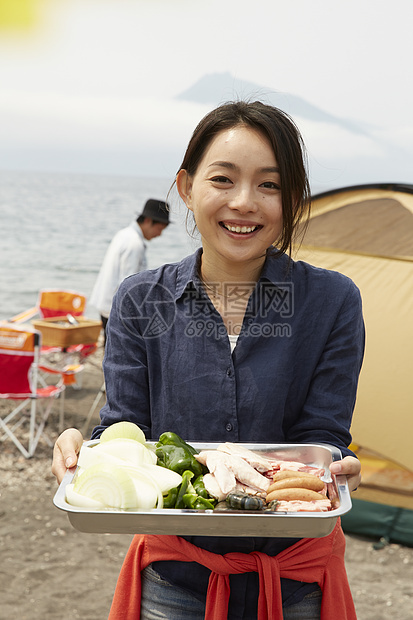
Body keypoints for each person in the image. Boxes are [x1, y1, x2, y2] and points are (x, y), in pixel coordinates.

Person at [52, 101, 364, 619]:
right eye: (223, 179)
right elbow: (128, 428)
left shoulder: (332, 301)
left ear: (292, 199)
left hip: (295, 580)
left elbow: (322, 435)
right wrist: (89, 455)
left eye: (269, 184)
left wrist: (335, 465)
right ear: (186, 187)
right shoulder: (140, 300)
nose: (245, 202)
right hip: (175, 578)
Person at [89, 198, 170, 343]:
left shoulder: (124, 234)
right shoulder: (134, 244)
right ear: (148, 221)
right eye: (160, 229)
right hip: (116, 309)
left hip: (106, 303)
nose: (159, 234)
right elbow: (129, 284)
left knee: (110, 351)